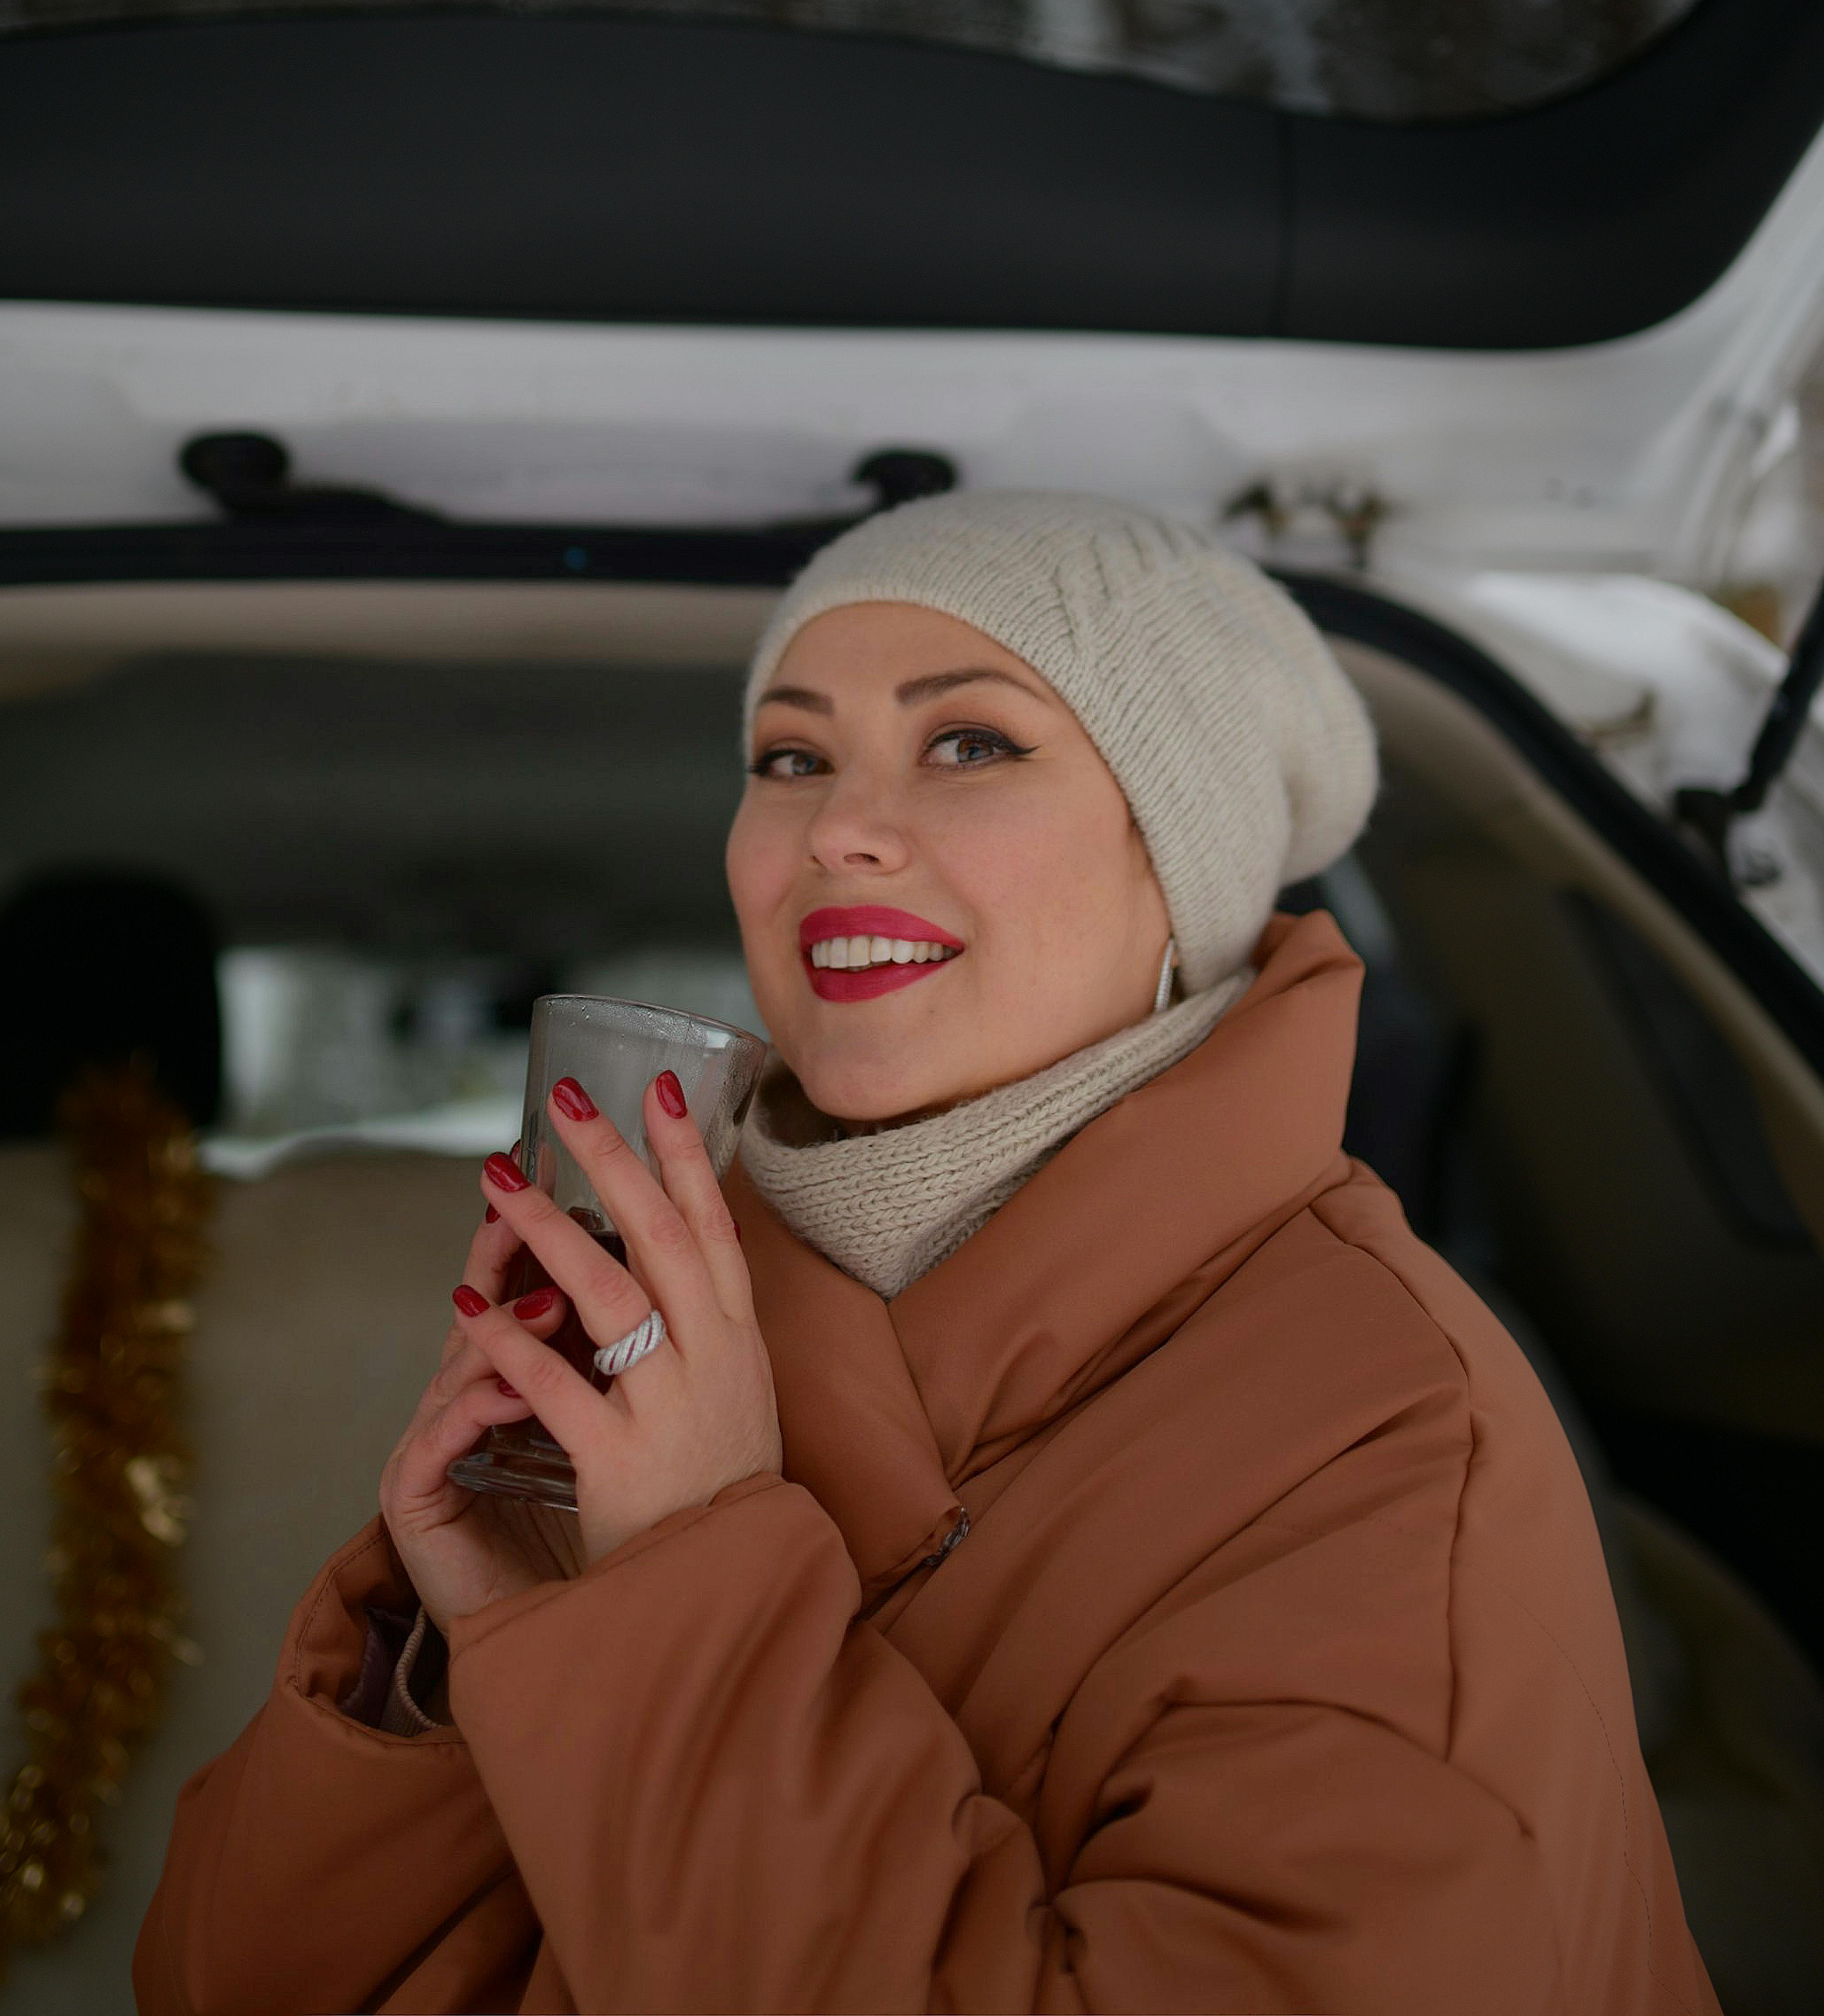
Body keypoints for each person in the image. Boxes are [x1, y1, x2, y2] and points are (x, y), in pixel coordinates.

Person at [135, 491, 1718, 2015]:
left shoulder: (1381, 1425)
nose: (841, 826)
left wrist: (687, 1572)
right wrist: (461, 1642)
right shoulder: (667, 1328)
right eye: (791, 753)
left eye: (969, 739)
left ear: (1183, 853)